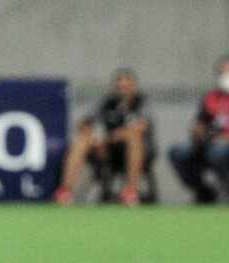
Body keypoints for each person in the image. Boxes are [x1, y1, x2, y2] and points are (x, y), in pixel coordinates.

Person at [53, 68, 154, 206]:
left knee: (134, 138)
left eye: (127, 86)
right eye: (120, 86)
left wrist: (109, 137)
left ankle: (130, 191)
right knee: (81, 140)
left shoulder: (142, 103)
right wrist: (93, 136)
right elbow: (84, 123)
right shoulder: (107, 102)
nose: (123, 89)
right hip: (107, 149)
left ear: (134, 86)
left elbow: (140, 127)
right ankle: (65, 191)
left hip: (133, 150)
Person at [168, 54, 229, 204]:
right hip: (210, 142)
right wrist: (197, 131)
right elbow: (201, 123)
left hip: (223, 146)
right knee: (178, 152)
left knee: (219, 153)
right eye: (222, 73)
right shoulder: (211, 97)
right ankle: (204, 192)